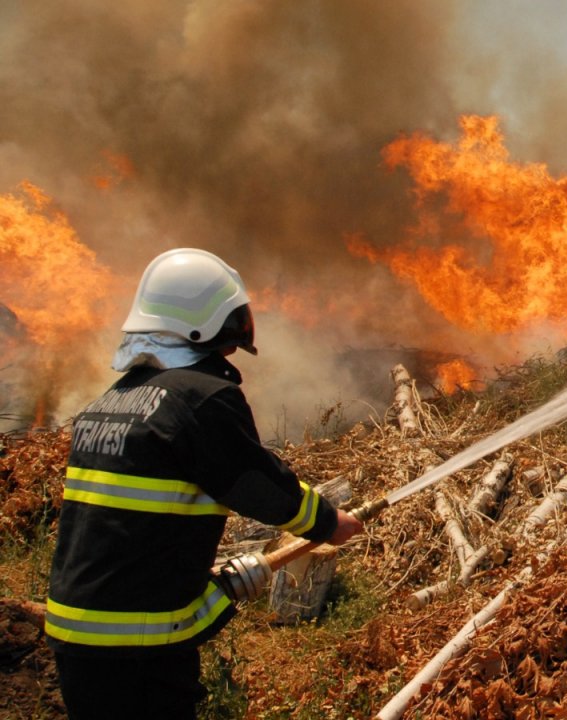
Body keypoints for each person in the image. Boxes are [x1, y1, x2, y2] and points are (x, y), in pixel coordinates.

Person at [45, 247, 364, 719]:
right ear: (204, 323)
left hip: (76, 634)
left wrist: (225, 585)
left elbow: (133, 536)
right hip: (137, 642)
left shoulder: (109, 403)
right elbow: (256, 483)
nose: (232, 345)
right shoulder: (201, 398)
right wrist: (327, 522)